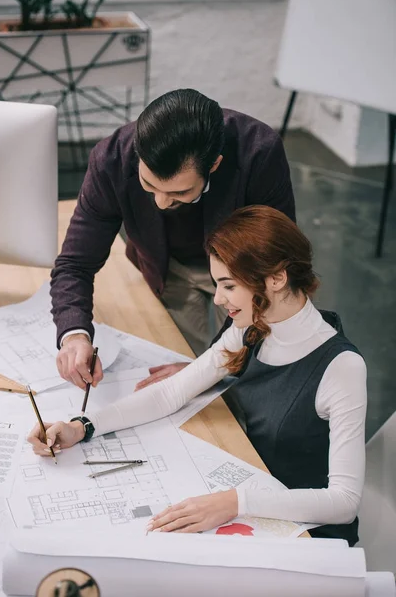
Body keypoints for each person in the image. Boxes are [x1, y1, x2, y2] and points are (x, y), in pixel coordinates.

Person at [30, 206, 366, 545]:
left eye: (228, 285)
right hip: (252, 491)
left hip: (305, 534)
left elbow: (344, 502)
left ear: (277, 279)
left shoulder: (341, 368)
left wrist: (236, 501)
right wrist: (81, 427)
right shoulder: (252, 328)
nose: (218, 299)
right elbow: (171, 393)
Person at [51, 88, 295, 390]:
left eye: (179, 192)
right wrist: (74, 334)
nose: (162, 203)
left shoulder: (260, 154)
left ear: (214, 165)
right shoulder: (111, 160)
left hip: (246, 274)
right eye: (148, 185)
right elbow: (75, 264)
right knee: (177, 361)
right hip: (169, 267)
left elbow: (273, 265)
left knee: (243, 374)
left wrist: (208, 367)